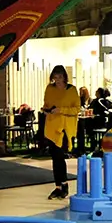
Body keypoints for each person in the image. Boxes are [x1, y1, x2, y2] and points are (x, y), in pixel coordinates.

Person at [42, 65, 80, 200]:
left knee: (59, 156)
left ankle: (64, 185)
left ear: (64, 77)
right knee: (55, 158)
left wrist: (61, 110)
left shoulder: (71, 90)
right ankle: (58, 186)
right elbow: (46, 103)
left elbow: (76, 109)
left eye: (60, 77)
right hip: (51, 127)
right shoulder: (49, 88)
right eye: (55, 77)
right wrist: (46, 110)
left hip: (64, 128)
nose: (57, 80)